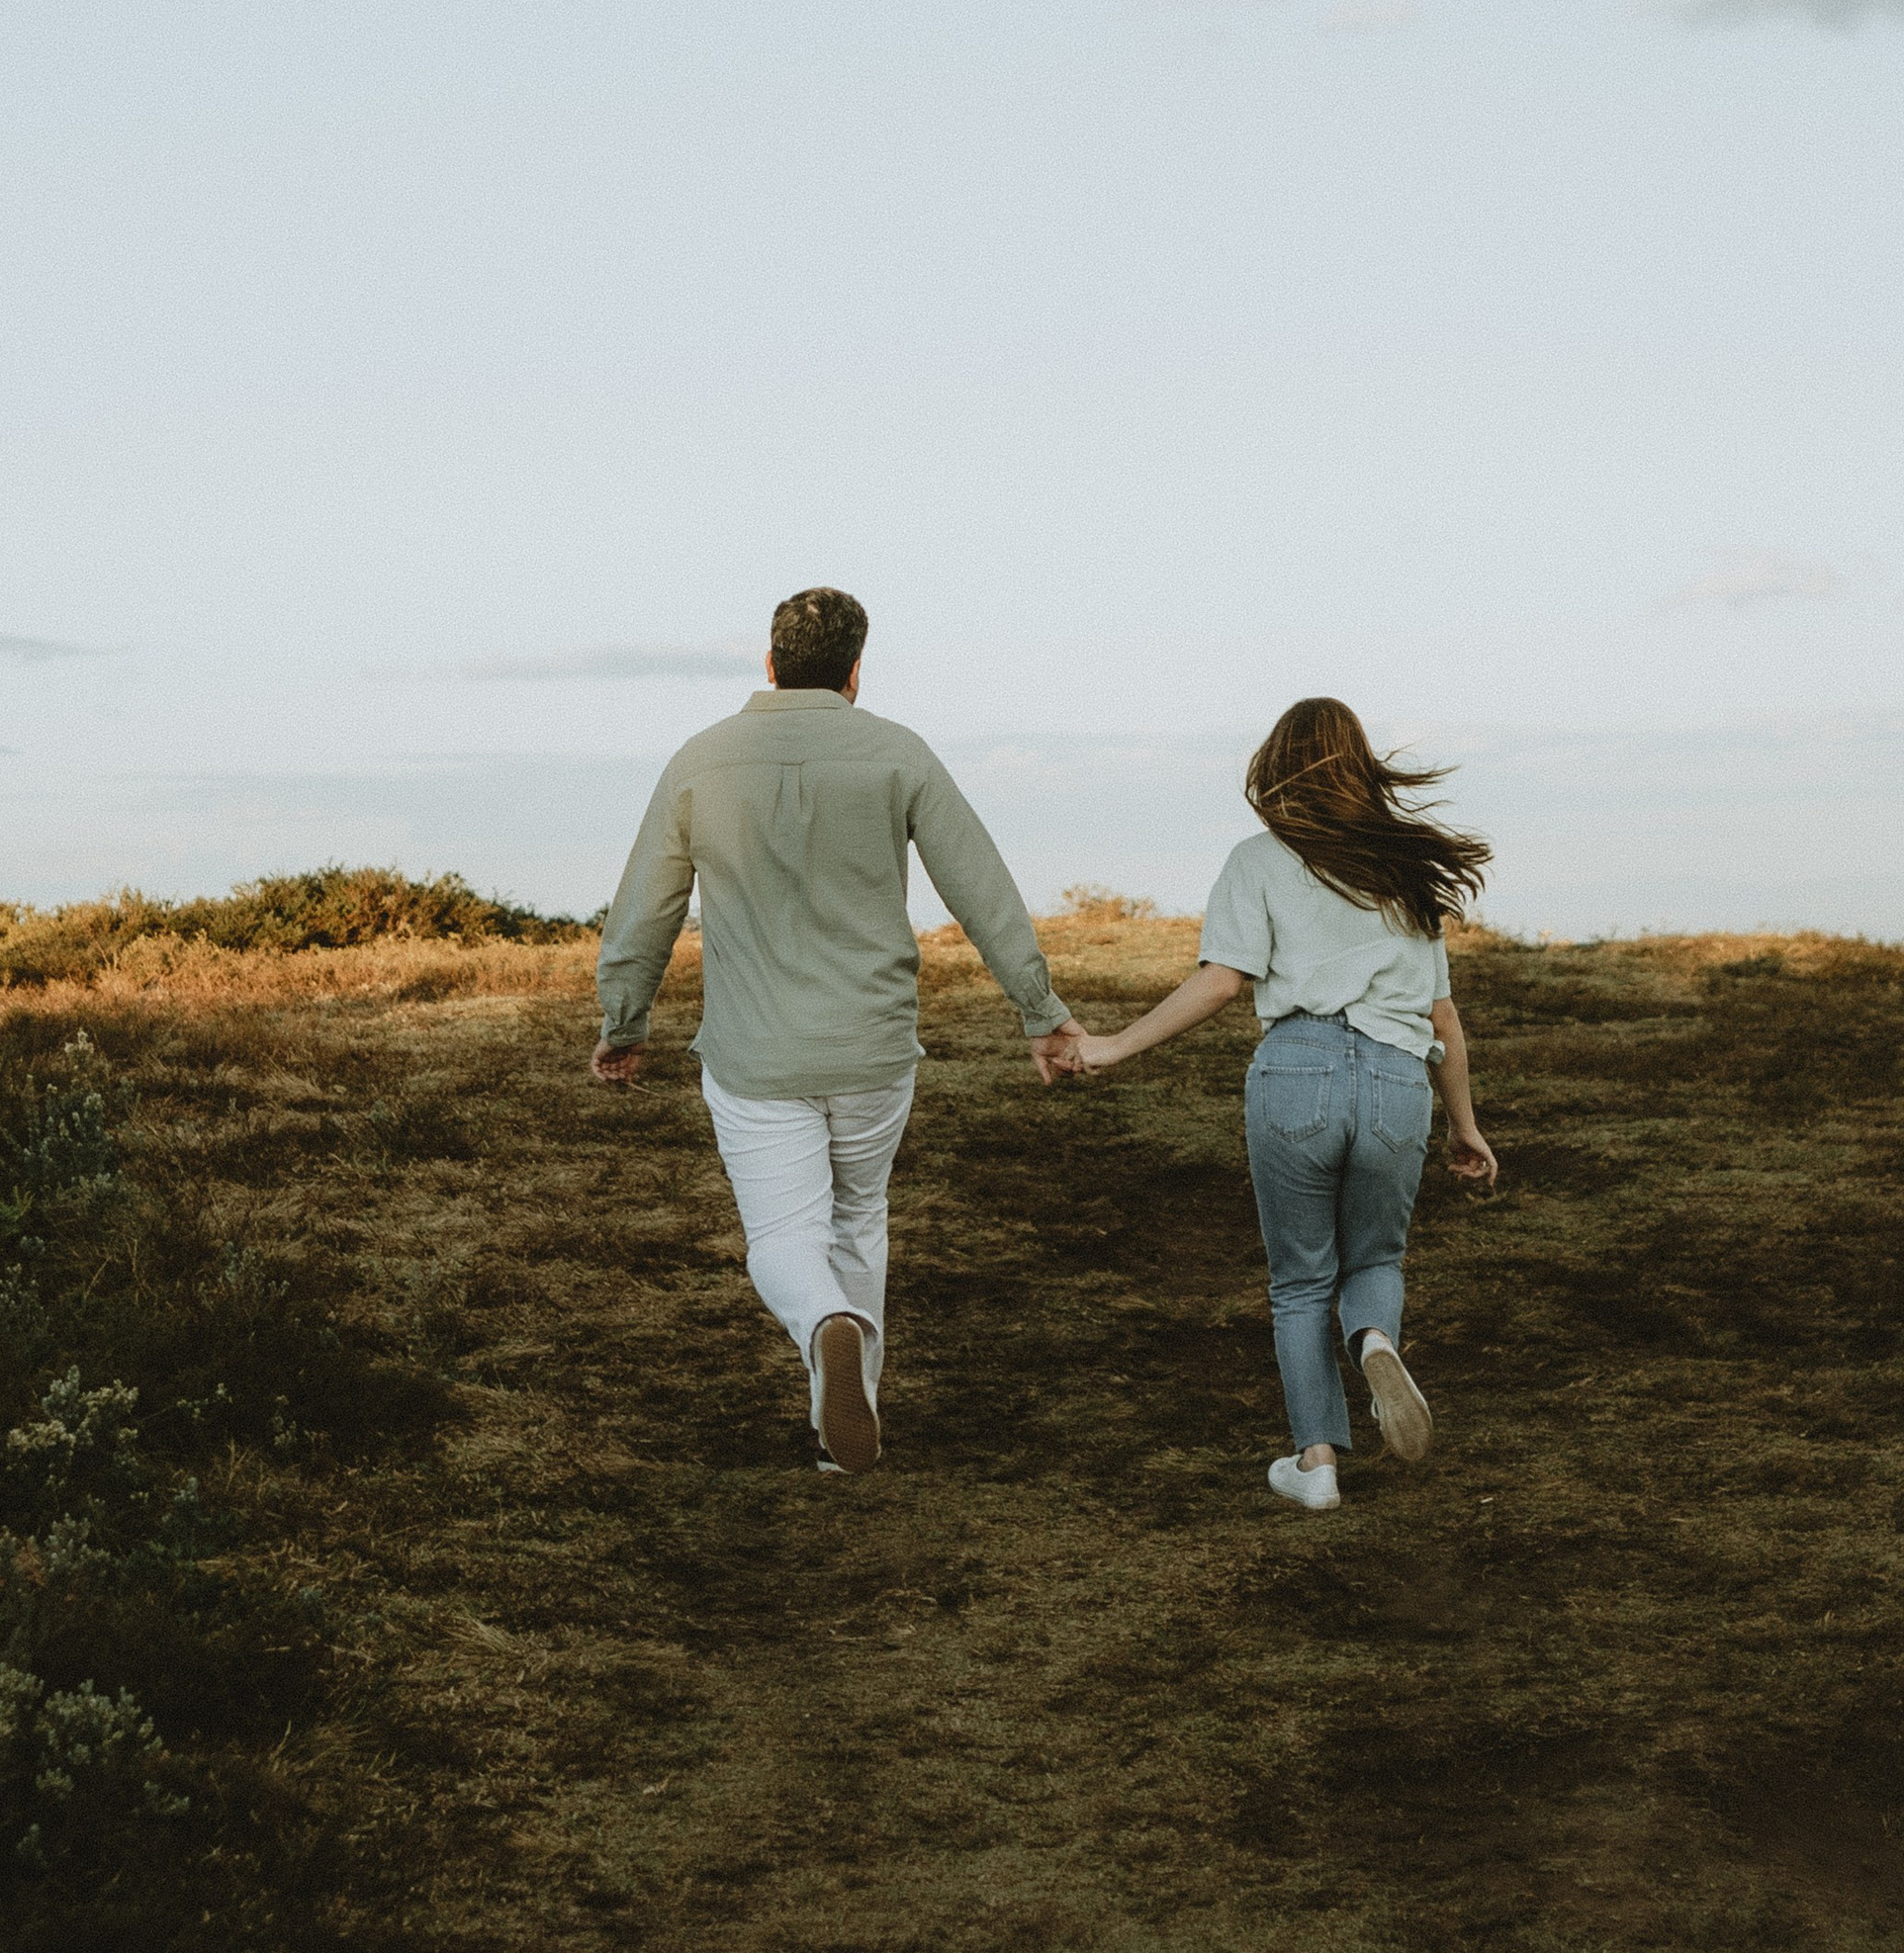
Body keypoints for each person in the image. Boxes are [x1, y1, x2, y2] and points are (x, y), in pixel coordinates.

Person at [589, 586, 1090, 1474]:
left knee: (785, 1234)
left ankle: (828, 1331)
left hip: (753, 1055)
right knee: (860, 1218)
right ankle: (845, 1424)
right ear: (856, 672)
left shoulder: (701, 762)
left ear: (770, 661)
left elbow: (646, 907)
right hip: (873, 1048)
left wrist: (624, 1020)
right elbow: (982, 889)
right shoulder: (897, 754)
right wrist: (1039, 1011)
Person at [1077, 698, 1496, 1511]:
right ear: (1360, 766)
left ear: (1278, 766)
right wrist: (1466, 1127)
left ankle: (1317, 1467)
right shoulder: (1405, 873)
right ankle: (1373, 1338)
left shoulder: (1256, 860)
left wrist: (1113, 1044)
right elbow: (1443, 1016)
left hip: (1296, 1071)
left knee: (1302, 1281)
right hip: (1397, 1079)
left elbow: (1224, 980)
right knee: (1373, 1260)